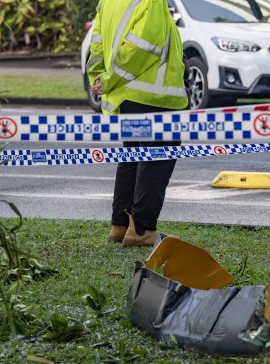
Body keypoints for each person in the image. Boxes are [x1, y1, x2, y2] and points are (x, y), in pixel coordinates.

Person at [87, 0, 189, 247]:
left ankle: (120, 226)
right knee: (156, 159)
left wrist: (101, 77)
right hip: (154, 96)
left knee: (132, 156)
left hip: (127, 96)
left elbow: (97, 46)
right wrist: (109, 79)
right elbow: (143, 48)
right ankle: (142, 229)